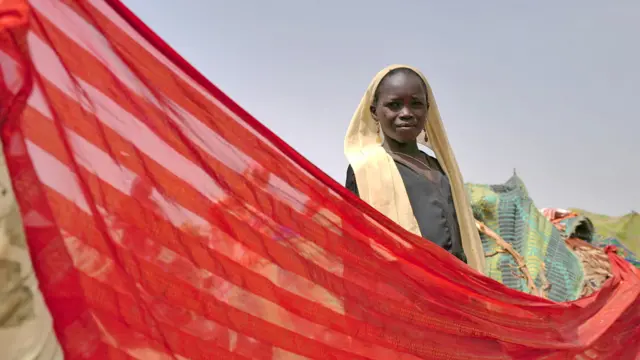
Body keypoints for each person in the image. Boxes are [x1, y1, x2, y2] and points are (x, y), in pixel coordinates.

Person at [344, 65, 485, 271]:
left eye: (416, 104)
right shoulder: (366, 170)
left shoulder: (439, 168)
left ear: (428, 109)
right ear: (375, 112)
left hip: (454, 292)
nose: (406, 113)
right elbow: (354, 249)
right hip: (402, 294)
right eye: (394, 105)